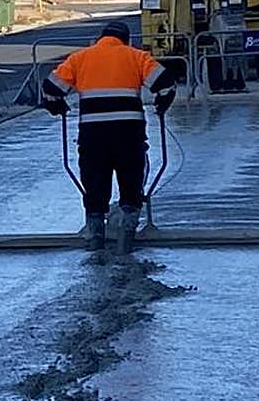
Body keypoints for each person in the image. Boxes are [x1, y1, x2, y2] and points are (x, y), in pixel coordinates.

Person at [41, 20, 176, 253]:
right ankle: (126, 236)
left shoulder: (80, 58)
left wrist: (57, 107)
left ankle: (95, 238)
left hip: (93, 134)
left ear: (100, 38)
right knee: (131, 180)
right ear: (126, 39)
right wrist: (161, 104)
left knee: (95, 182)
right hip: (128, 132)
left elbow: (50, 89)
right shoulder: (137, 57)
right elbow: (166, 85)